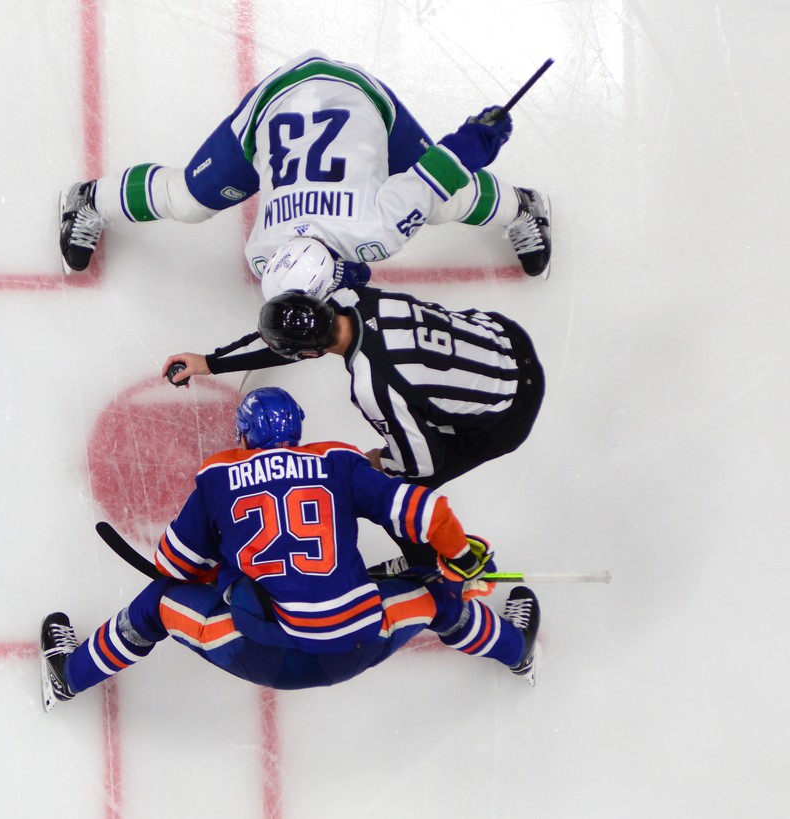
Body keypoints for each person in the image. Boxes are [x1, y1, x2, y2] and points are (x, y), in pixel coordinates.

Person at [40, 387, 540, 711]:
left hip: (260, 652)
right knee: (439, 599)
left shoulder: (218, 474)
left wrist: (227, 574)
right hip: (354, 646)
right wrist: (461, 557)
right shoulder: (339, 462)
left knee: (155, 604)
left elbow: (174, 565)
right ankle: (517, 654)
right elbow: (431, 515)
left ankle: (68, 677)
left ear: (243, 435)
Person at [58, 49, 551, 282]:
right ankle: (87, 200)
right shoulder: (265, 254)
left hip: (352, 101)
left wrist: (478, 138)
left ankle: (524, 207)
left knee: (443, 202)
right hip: (298, 107)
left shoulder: (377, 231)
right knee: (187, 201)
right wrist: (477, 136)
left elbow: (443, 168)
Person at [161, 288, 544, 567]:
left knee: (398, 492)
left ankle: (429, 570)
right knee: (419, 399)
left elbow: (424, 463)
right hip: (507, 339)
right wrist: (211, 362)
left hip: (510, 414)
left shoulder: (372, 385)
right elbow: (298, 337)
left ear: (309, 354)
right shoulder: (359, 298)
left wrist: (377, 463)